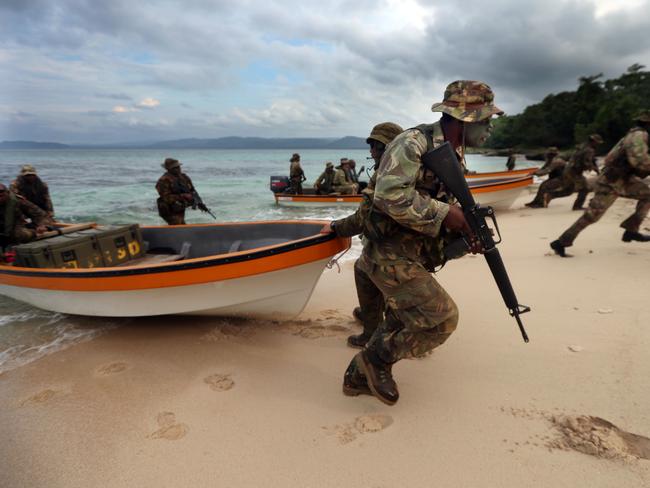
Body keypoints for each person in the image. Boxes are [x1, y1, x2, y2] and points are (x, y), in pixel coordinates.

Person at [334, 80, 500, 405]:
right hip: (388, 254)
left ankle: (356, 378)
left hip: (414, 254)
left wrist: (467, 233)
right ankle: (375, 361)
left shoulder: (453, 153)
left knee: (403, 315)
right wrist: (447, 214)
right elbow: (389, 195)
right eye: (485, 120)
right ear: (464, 120)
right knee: (442, 319)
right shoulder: (412, 143)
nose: (489, 128)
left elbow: (443, 204)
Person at [323, 122, 404, 351]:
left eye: (375, 146)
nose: (370, 151)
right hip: (407, 243)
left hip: (394, 248)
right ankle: (374, 315)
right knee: (371, 272)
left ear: (386, 148)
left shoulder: (387, 175)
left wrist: (335, 227)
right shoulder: (404, 169)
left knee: (365, 269)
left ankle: (371, 331)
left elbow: (362, 220)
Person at [550, 110, 650, 257]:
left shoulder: (635, 136)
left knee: (648, 195)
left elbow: (611, 158)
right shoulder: (638, 136)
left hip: (623, 180)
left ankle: (631, 230)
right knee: (591, 216)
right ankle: (561, 242)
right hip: (611, 182)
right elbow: (639, 160)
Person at [544, 134, 603, 210]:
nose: (598, 144)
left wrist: (594, 167)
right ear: (594, 142)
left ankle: (551, 195)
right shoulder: (589, 150)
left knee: (568, 190)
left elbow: (589, 160)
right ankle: (577, 206)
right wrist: (594, 169)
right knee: (585, 188)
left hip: (568, 170)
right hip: (574, 171)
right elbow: (587, 162)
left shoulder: (582, 146)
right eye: (597, 142)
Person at [0, 183, 50, 248]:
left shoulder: (17, 201)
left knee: (17, 234)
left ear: (7, 193)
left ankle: (33, 232)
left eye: (1, 194)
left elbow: (39, 214)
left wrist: (42, 225)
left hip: (15, 226)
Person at [155, 158, 196, 225]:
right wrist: (183, 196)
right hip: (169, 209)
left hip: (180, 207)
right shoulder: (163, 181)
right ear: (169, 169)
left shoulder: (183, 177)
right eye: (175, 167)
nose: (178, 169)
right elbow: (166, 198)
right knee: (178, 225)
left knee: (182, 225)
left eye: (178, 166)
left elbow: (192, 190)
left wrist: (196, 200)